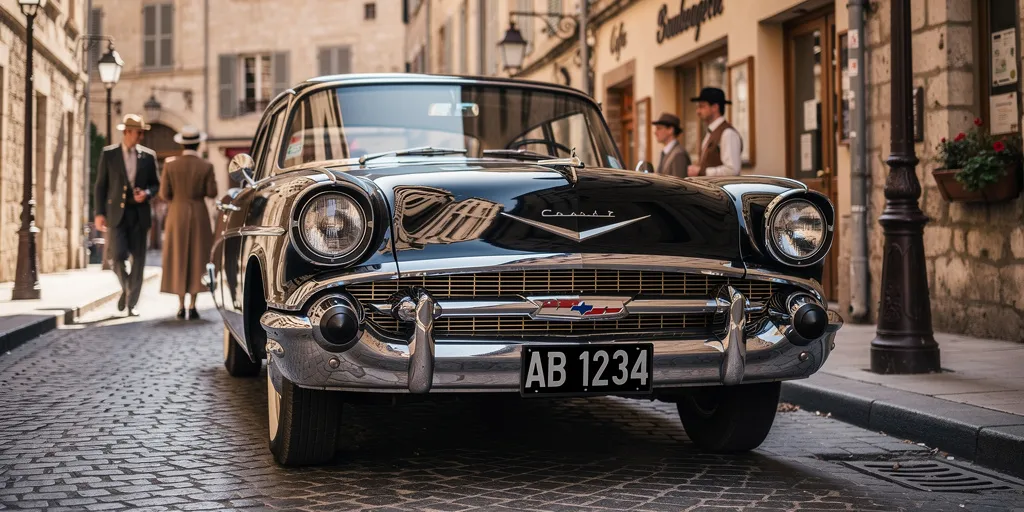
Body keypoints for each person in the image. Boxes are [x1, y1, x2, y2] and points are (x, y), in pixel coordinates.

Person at [94, 114, 160, 316]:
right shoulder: (109, 154)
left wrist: (147, 194)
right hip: (117, 214)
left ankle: (132, 303)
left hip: (139, 213)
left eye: (142, 132)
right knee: (117, 256)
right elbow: (100, 186)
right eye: (138, 132)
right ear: (126, 132)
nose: (141, 136)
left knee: (139, 260)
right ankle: (127, 288)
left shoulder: (148, 156)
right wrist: (99, 213)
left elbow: (155, 185)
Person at [159, 126, 218, 320]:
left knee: (177, 256)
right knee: (197, 258)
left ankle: (180, 305)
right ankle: (193, 305)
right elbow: (212, 192)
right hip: (199, 214)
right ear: (198, 143)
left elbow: (164, 194)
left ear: (181, 143)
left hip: (177, 213)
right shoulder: (206, 165)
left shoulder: (170, 164)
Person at [687, 87, 743, 177]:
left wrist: (702, 171)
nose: (698, 111)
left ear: (715, 107)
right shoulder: (711, 132)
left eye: (702, 106)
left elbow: (732, 170)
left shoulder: (727, 133)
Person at [652, 113, 691, 178]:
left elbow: (679, 184)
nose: (655, 132)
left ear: (670, 130)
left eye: (659, 128)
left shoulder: (679, 154)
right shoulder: (667, 152)